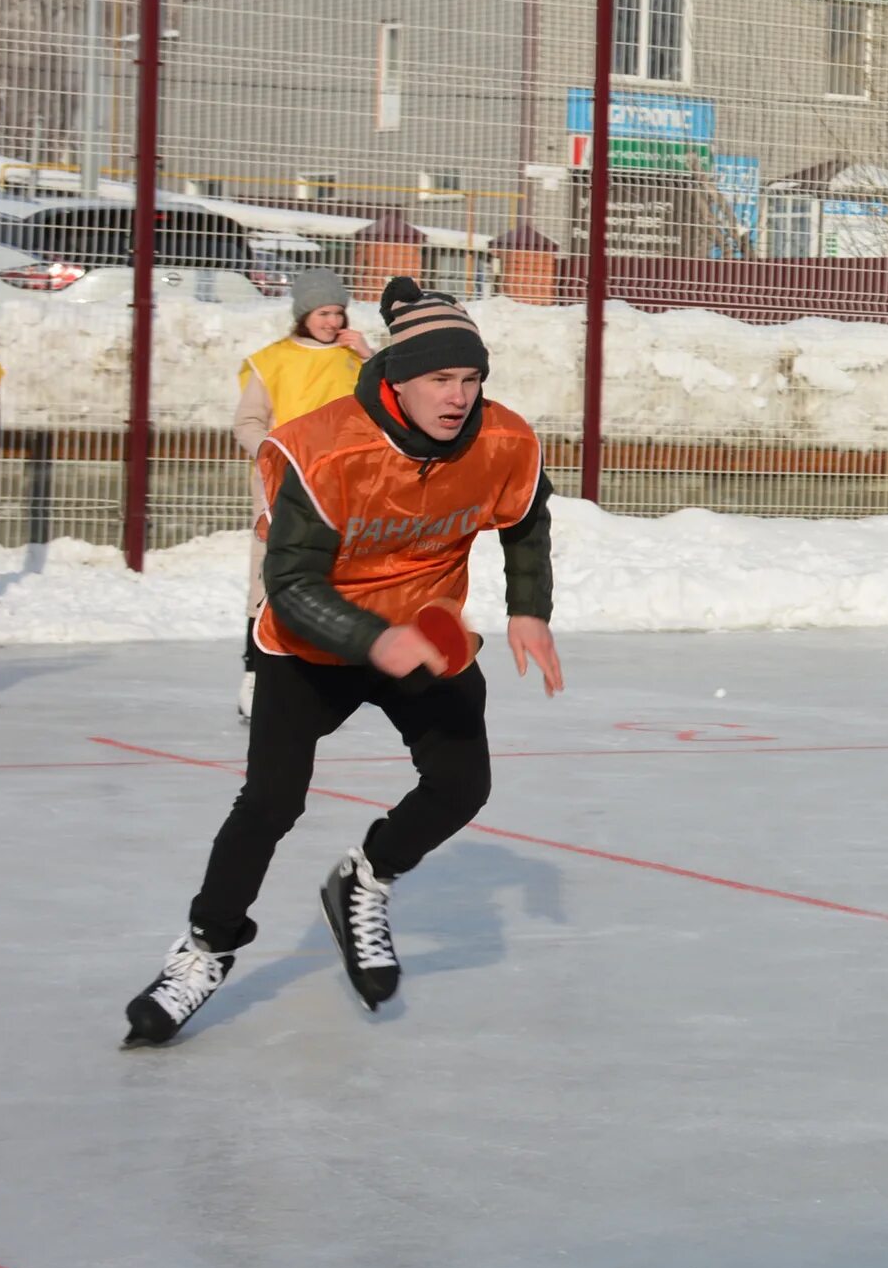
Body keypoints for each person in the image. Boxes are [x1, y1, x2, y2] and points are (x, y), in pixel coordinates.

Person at [124, 279, 564, 1046]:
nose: (458, 397)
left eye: (471, 380)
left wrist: (530, 610)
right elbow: (288, 586)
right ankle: (206, 947)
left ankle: (365, 877)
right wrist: (371, 639)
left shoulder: (503, 440)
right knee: (270, 804)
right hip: (313, 642)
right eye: (440, 379)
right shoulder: (323, 447)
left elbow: (526, 518)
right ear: (396, 377)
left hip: (423, 631)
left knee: (464, 784)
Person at [235, 269, 369, 715]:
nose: (332, 321)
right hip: (284, 483)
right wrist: (278, 457)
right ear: (303, 315)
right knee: (272, 572)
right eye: (323, 312)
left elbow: (392, 404)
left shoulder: (353, 360)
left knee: (334, 573)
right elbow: (248, 423)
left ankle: (323, 673)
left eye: (337, 312)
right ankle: (256, 672)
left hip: (341, 484)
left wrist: (369, 356)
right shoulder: (273, 360)